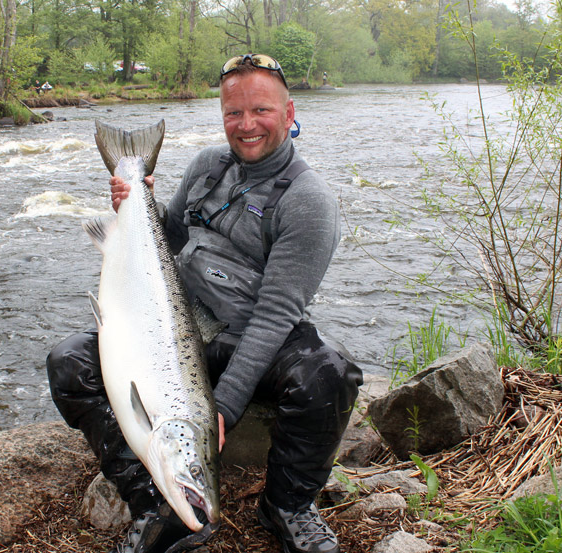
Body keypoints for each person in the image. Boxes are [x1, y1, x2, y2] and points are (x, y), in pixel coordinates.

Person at [47, 53, 363, 553]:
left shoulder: (309, 201)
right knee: (69, 363)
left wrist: (224, 406)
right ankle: (155, 501)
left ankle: (288, 508)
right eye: (233, 113)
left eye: (260, 110)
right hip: (179, 330)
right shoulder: (206, 166)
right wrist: (135, 205)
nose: (246, 125)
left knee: (329, 373)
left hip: (255, 338)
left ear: (288, 112)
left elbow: (277, 314)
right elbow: (166, 242)